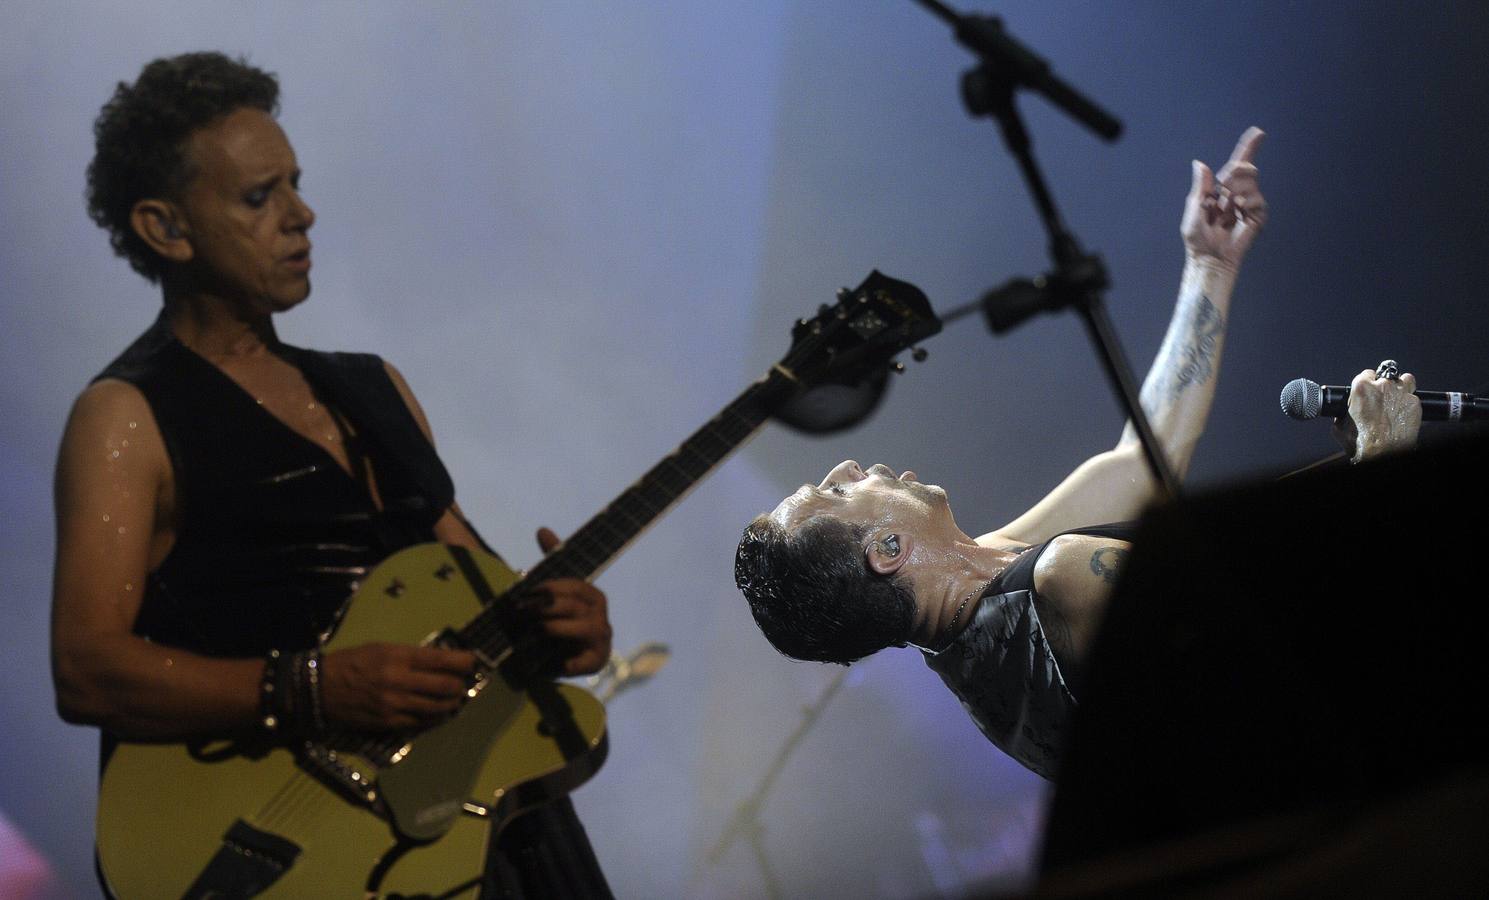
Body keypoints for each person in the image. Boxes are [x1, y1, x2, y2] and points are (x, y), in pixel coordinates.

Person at [52, 52, 614, 896]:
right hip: (319, 856)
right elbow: (87, 669)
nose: (302, 214)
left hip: (492, 822)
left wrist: (562, 625)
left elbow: (471, 597)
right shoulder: (125, 415)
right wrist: (314, 688)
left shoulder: (372, 386)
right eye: (258, 196)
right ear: (166, 228)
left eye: (295, 184)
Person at [736, 127, 1416, 780]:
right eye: (832, 492)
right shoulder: (1059, 580)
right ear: (886, 551)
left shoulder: (988, 596)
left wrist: (1209, 266)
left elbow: (1141, 458)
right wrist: (1384, 463)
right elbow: (1307, 628)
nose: (847, 467)